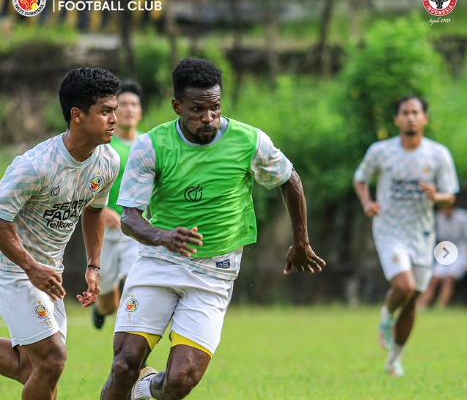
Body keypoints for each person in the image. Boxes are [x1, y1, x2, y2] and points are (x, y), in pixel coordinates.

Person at [100, 57, 326, 400]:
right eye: (197, 109)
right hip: (158, 263)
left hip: (213, 274)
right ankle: (136, 379)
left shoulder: (248, 141)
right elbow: (129, 217)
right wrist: (164, 237)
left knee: (180, 381)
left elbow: (289, 179)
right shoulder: (153, 145)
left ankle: (146, 388)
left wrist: (300, 241)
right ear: (177, 106)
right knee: (124, 364)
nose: (208, 118)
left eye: (215, 107)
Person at [0, 67, 121, 400]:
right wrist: (30, 267)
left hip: (47, 272)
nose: (115, 118)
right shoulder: (35, 166)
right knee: (53, 360)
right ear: (77, 115)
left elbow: (94, 210)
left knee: (34, 369)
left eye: (115, 110)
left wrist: (94, 266)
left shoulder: (108, 162)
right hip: (12, 267)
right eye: (106, 111)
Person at [353, 95, 459, 377]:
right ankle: (386, 316)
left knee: (412, 300)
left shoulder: (438, 154)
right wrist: (367, 202)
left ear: (424, 118)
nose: (411, 117)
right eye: (405, 112)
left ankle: (394, 359)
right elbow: (361, 177)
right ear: (397, 119)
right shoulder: (381, 151)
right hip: (389, 229)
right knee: (404, 286)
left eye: (416, 112)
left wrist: (437, 196)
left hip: (422, 235)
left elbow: (451, 196)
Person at [93, 80, 144, 330]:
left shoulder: (149, 145)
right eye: (122, 104)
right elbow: (83, 186)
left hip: (137, 230)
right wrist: (102, 209)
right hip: (105, 230)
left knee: (133, 282)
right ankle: (100, 307)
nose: (128, 109)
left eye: (134, 104)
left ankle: (132, 349)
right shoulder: (102, 146)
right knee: (108, 303)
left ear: (140, 111)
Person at [418, 205, 467, 309]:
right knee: (434, 278)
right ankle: (422, 305)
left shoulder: (462, 217)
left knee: (449, 278)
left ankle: (441, 306)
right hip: (446, 252)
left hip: (462, 252)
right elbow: (441, 239)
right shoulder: (438, 218)